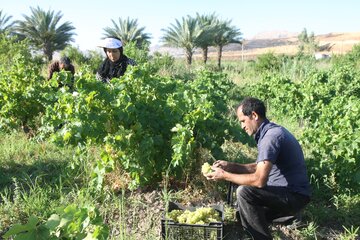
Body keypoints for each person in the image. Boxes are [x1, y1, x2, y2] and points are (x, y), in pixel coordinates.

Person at [204, 97, 311, 240]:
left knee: (244, 192)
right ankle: (288, 216)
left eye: (243, 121)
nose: (242, 126)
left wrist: (224, 175)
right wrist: (231, 166)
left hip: (293, 196)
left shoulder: (270, 137)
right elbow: (259, 166)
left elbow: (259, 180)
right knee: (242, 214)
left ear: (254, 115)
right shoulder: (271, 131)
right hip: (292, 194)